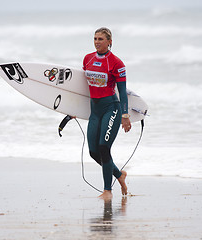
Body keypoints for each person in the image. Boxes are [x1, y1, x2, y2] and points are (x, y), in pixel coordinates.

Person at [83, 27, 131, 200]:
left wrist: (125, 116)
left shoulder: (116, 63)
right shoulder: (87, 59)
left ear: (109, 42)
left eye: (101, 39)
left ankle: (107, 191)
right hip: (94, 111)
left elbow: (123, 91)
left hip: (111, 109)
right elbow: (81, 89)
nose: (97, 42)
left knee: (104, 148)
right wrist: (71, 110)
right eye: (95, 38)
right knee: (94, 152)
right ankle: (119, 175)